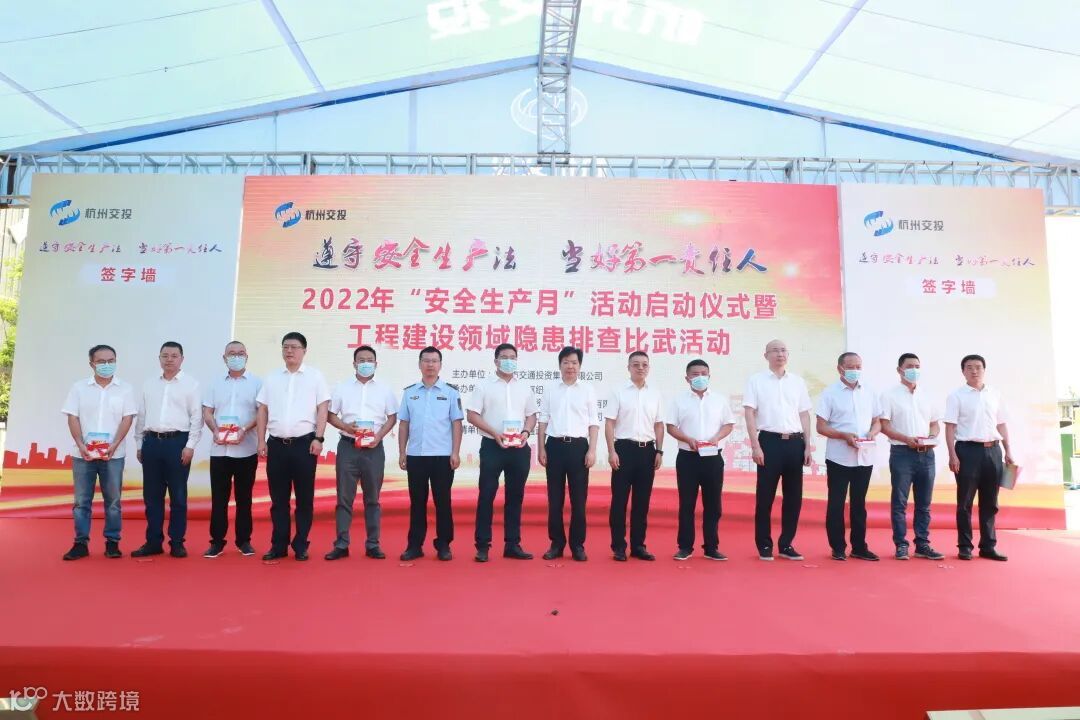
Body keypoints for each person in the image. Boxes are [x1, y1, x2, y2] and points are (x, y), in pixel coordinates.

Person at [256, 332, 330, 562]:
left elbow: (323, 409)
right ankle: (278, 545)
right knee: (278, 500)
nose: (289, 351)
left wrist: (319, 438)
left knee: (304, 499)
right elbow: (262, 410)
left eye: (294, 347)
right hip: (276, 445)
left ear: (304, 351)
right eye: (285, 347)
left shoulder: (315, 377)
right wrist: (261, 440)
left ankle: (301, 544)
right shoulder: (272, 378)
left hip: (304, 445)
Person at [60, 344, 137, 560]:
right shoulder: (79, 388)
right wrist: (80, 444)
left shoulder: (125, 389)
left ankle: (112, 542)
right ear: (91, 364)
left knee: (113, 501)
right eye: (101, 361)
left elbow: (127, 418)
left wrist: (114, 445)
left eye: (111, 361)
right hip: (83, 455)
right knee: (81, 502)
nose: (106, 365)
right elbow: (72, 417)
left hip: (113, 455)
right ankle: (80, 543)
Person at [325, 345, 398, 561]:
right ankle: (341, 544)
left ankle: (373, 544)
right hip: (348, 446)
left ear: (376, 364)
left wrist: (379, 436)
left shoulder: (384, 389)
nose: (366, 363)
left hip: (374, 449)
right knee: (344, 498)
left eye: (369, 360)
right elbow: (330, 415)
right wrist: (346, 427)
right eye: (361, 360)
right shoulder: (342, 387)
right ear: (354, 363)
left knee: (373, 499)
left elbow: (392, 417)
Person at [466, 343, 538, 562]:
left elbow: (532, 415)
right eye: (504, 357)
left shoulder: (524, 387)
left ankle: (512, 544)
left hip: (519, 448)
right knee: (487, 495)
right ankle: (482, 546)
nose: (509, 361)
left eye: (513, 357)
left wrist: (526, 432)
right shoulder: (484, 386)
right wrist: (494, 433)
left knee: (515, 497)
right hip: (492, 446)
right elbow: (472, 415)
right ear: (496, 361)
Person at [744, 339, 814, 561]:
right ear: (766, 355)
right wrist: (755, 445)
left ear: (788, 354)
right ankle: (764, 545)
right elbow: (749, 413)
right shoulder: (756, 381)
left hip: (795, 442)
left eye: (783, 350)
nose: (779, 354)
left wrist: (807, 445)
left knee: (793, 497)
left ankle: (786, 544)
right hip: (769, 442)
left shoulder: (797, 382)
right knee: (765, 497)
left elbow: (804, 414)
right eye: (774, 350)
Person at [132, 341, 202, 558]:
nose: (169, 360)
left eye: (174, 356)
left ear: (182, 359)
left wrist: (190, 446)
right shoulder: (149, 384)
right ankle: (153, 542)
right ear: (159, 358)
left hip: (177, 443)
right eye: (165, 356)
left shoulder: (191, 384)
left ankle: (177, 542)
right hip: (152, 442)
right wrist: (139, 444)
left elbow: (196, 418)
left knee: (178, 497)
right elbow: (142, 415)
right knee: (152, 497)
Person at [664, 359, 735, 561]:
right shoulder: (678, 400)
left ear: (709, 376)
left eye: (704, 373)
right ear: (687, 378)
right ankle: (685, 547)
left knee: (713, 505)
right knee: (687, 504)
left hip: (712, 457)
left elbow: (728, 424)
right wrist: (688, 439)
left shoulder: (719, 400)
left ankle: (711, 547)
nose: (700, 377)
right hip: (688, 457)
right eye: (695, 374)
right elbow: (671, 427)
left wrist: (717, 437)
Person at [944, 354, 1013, 561]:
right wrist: (952, 455)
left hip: (994, 451)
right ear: (963, 371)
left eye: (978, 367)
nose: (974, 371)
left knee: (990, 502)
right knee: (965, 502)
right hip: (967, 451)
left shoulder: (995, 394)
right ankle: (965, 546)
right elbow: (950, 427)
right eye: (969, 367)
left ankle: (988, 546)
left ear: (984, 369)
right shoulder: (956, 396)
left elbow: (1001, 424)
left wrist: (1008, 450)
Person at [398, 346, 463, 561]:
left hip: (442, 456)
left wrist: (455, 452)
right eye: (426, 361)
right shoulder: (410, 393)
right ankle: (414, 545)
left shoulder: (451, 392)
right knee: (417, 502)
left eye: (434, 361)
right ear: (419, 364)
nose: (430, 365)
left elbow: (456, 424)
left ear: (440, 365)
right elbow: (404, 424)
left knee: (442, 502)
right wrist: (402, 452)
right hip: (416, 455)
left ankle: (444, 544)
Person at [816, 352, 882, 561]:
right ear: (840, 369)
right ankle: (837, 547)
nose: (855, 371)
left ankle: (859, 547)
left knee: (859, 503)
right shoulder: (829, 393)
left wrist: (873, 432)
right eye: (851, 367)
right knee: (836, 503)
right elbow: (821, 426)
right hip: (839, 457)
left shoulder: (869, 391)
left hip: (864, 456)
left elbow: (877, 420)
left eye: (858, 367)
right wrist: (843, 435)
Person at [879, 353, 945, 561]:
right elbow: (884, 426)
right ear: (899, 370)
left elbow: (934, 423)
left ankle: (922, 544)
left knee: (924, 503)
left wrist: (932, 437)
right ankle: (901, 544)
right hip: (902, 454)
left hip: (927, 454)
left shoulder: (928, 395)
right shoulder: (889, 395)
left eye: (917, 366)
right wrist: (905, 439)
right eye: (909, 366)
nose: (914, 370)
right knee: (900, 502)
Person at [537, 346, 599, 562]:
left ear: (579, 366)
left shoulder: (588, 390)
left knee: (579, 501)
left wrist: (592, 450)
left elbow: (593, 423)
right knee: (555, 500)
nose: (570, 366)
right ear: (560, 365)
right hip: (554, 446)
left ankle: (577, 545)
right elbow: (543, 420)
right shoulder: (550, 389)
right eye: (566, 362)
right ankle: (556, 544)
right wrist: (541, 448)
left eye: (574, 362)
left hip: (579, 448)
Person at [201, 341, 262, 558]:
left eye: (240, 353)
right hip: (219, 451)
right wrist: (215, 430)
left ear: (247, 356)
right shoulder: (215, 383)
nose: (236, 357)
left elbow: (261, 413)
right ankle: (216, 542)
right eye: (232, 353)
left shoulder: (257, 383)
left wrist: (244, 429)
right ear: (224, 357)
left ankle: (244, 541)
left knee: (244, 498)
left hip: (247, 449)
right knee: (219, 499)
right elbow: (207, 412)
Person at [605, 351, 664, 561]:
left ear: (649, 368)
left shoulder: (655, 394)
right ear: (628, 367)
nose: (640, 368)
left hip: (647, 451)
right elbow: (610, 423)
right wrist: (612, 451)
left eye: (644, 365)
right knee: (619, 501)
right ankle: (619, 546)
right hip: (624, 450)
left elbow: (659, 424)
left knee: (642, 502)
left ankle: (638, 545)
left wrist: (659, 450)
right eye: (636, 364)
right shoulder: (618, 391)